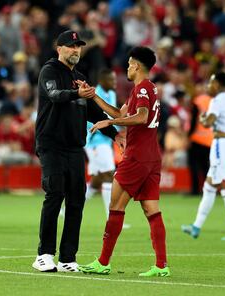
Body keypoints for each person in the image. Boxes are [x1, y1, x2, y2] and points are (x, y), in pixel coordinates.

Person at [32, 30, 122, 273]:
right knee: (55, 194)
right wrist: (76, 93)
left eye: (78, 47)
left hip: (74, 147)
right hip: (51, 144)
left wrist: (115, 135)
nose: (75, 50)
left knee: (76, 201)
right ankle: (44, 255)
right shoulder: (49, 71)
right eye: (71, 46)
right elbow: (54, 95)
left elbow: (94, 114)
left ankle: (67, 259)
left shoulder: (80, 77)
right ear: (58, 48)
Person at [78, 46, 170, 277]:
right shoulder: (149, 88)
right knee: (151, 210)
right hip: (152, 158)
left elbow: (141, 117)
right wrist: (94, 96)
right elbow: (119, 115)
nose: (127, 68)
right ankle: (161, 266)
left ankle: (103, 262)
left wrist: (108, 125)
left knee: (115, 207)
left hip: (137, 157)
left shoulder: (141, 89)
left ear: (137, 65)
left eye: (129, 64)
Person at [181, 72, 225, 241]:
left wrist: (204, 119)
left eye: (210, 83)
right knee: (209, 187)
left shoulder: (216, 101)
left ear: (217, 84)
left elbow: (209, 121)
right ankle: (196, 226)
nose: (208, 86)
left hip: (221, 144)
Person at [84, 69, 118, 216]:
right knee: (109, 175)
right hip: (95, 141)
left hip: (107, 140)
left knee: (96, 181)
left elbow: (112, 116)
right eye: (111, 80)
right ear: (102, 81)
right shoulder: (93, 94)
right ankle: (112, 217)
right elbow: (91, 119)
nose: (114, 83)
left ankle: (65, 209)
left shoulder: (111, 94)